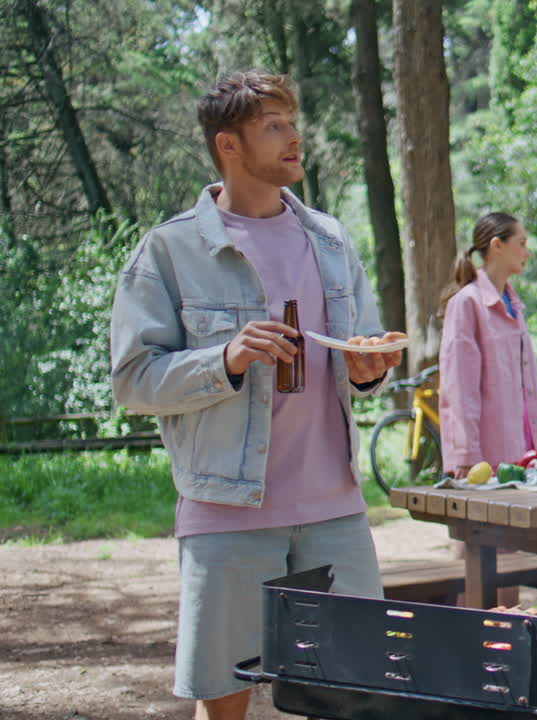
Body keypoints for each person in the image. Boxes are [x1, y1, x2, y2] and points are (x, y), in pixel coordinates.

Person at [109, 71, 402, 720]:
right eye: (275, 126)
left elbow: (356, 352)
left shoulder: (330, 238)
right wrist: (227, 359)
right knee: (225, 701)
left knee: (358, 693)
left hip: (336, 508)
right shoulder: (170, 250)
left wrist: (367, 369)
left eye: (293, 122)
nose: (295, 137)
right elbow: (132, 380)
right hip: (227, 505)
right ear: (229, 146)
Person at [438, 212, 537, 480]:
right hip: (484, 465)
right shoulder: (466, 304)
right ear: (497, 246)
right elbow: (459, 389)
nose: (528, 252)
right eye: (521, 243)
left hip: (527, 457)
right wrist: (466, 456)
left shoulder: (515, 305)